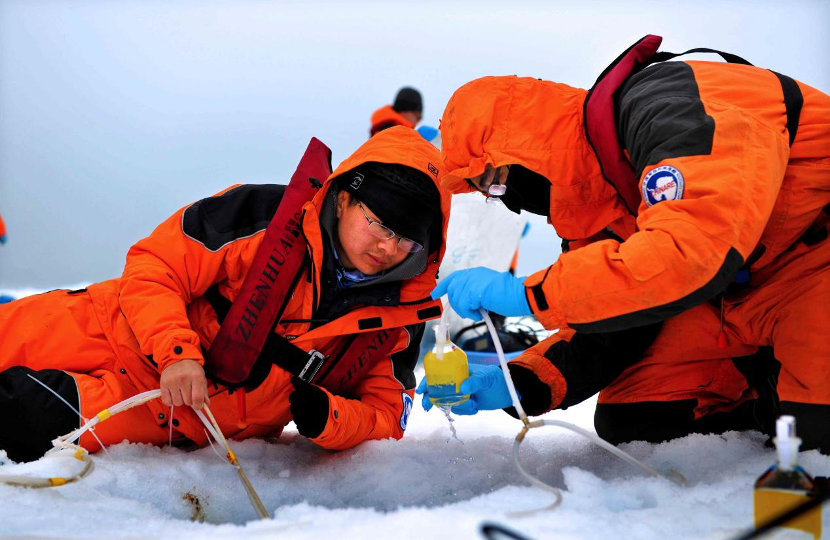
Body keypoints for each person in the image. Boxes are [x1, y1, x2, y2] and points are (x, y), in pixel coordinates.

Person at [418, 35, 830, 453]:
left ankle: (789, 405)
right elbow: (608, 323)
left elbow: (688, 254)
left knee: (815, 438)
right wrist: (519, 382)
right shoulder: (602, 206)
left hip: (815, 267)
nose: (511, 201)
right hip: (741, 298)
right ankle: (767, 397)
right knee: (637, 419)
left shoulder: (672, 106)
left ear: (527, 148)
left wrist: (526, 294)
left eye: (495, 182)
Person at [0, 126, 450, 463]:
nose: (388, 248)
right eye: (379, 225)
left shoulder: (401, 315)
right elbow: (155, 266)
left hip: (160, 412)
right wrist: (177, 354)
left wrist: (330, 417)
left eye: (408, 242)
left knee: (20, 416)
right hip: (97, 325)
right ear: (345, 198)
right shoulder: (262, 215)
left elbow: (386, 415)